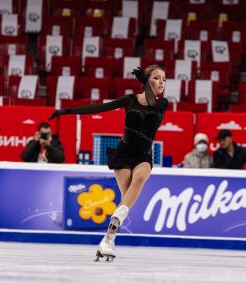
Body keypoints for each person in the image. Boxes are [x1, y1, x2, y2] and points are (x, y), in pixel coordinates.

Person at [49, 64, 168, 261]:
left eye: (164, 78)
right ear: (147, 81)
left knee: (139, 179)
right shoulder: (129, 100)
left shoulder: (162, 104)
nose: (162, 82)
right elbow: (99, 108)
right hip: (123, 154)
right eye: (157, 78)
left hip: (144, 156)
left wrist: (145, 81)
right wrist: (67, 111)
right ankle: (108, 239)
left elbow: (150, 100)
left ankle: (114, 223)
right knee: (125, 198)